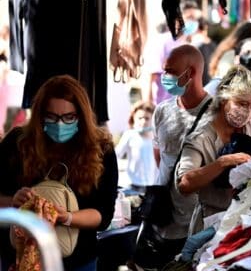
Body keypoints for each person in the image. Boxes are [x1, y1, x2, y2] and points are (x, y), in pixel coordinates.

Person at [0, 75, 118, 271]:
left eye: (69, 117)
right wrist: (14, 201)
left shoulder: (101, 150)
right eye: (52, 117)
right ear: (40, 115)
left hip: (77, 260)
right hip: (20, 258)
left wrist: (67, 217)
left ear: (81, 116)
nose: (60, 124)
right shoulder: (17, 143)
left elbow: (103, 215)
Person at [177, 65, 251, 233]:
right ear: (224, 98)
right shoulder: (201, 136)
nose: (247, 112)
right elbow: (184, 185)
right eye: (241, 103)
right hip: (213, 220)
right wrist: (222, 163)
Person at [142, 44, 213, 267]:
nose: (165, 77)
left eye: (170, 71)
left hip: (197, 226)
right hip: (162, 221)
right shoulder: (162, 110)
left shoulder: (217, 114)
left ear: (190, 73)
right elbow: (159, 155)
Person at [115, 101, 158, 193]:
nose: (143, 121)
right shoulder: (130, 135)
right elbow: (116, 155)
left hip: (151, 185)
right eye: (140, 118)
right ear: (134, 118)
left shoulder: (157, 138)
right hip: (132, 185)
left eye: (147, 118)